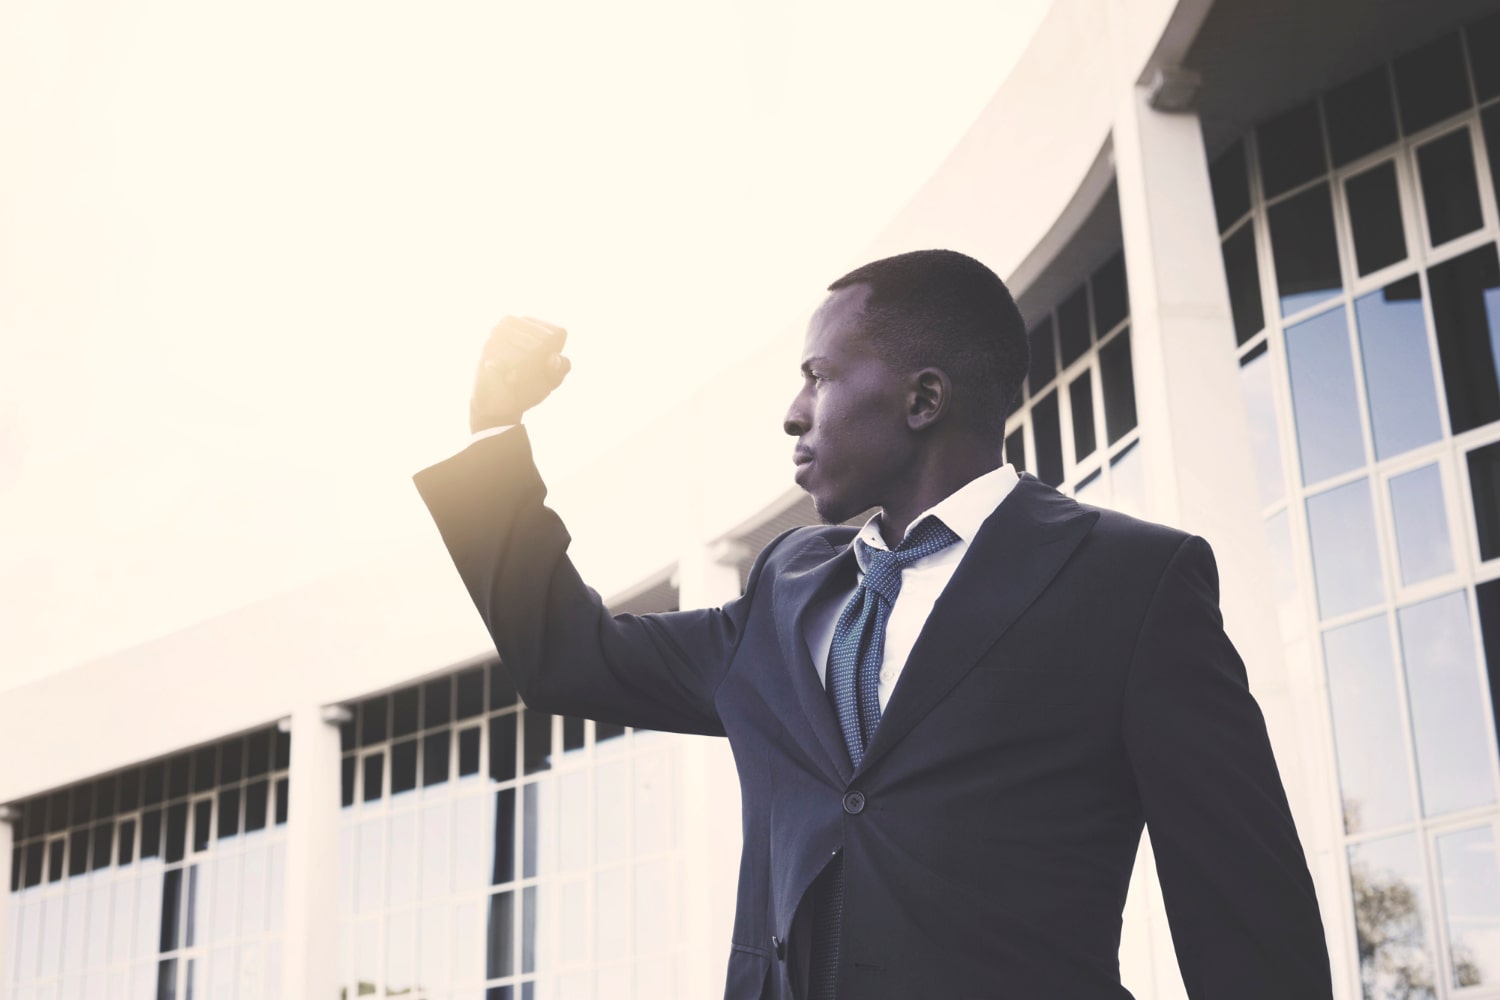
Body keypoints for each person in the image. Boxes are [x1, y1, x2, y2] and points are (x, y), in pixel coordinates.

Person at [414, 249, 1333, 999]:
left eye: (819, 377)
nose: (793, 414)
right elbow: (571, 662)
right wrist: (494, 434)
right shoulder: (785, 590)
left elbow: (1245, 918)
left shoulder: (1132, 582)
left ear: (922, 400)